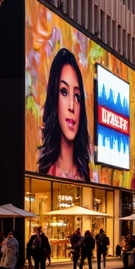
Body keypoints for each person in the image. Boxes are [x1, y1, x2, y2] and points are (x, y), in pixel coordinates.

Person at [37, 48, 92, 182]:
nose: (71, 107)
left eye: (77, 97)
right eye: (64, 92)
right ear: (54, 97)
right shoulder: (45, 173)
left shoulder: (86, 175)